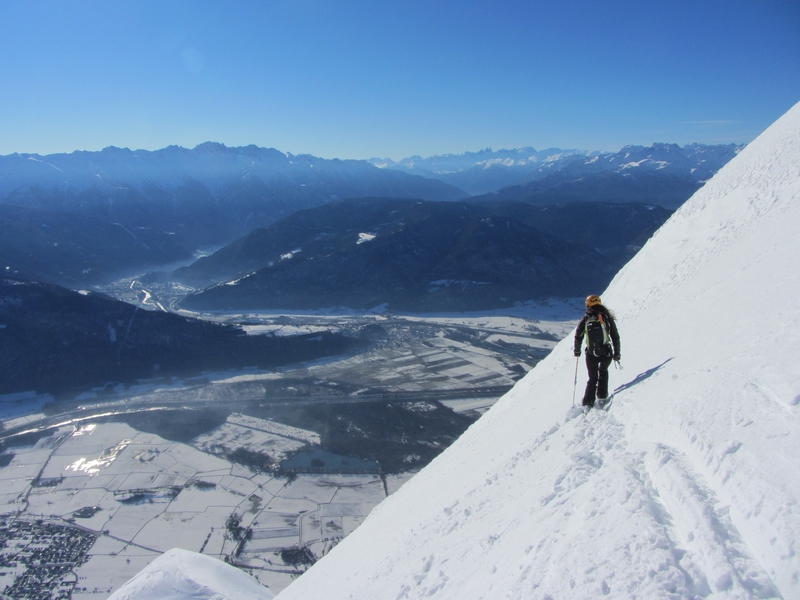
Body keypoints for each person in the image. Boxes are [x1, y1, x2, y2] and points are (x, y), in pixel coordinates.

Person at [573, 294, 620, 408]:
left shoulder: (586, 319)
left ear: (588, 305)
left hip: (591, 354)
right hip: (606, 352)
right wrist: (617, 353)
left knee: (592, 378)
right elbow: (615, 336)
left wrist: (577, 350)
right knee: (603, 371)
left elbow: (578, 336)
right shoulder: (606, 318)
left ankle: (588, 402)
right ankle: (602, 397)